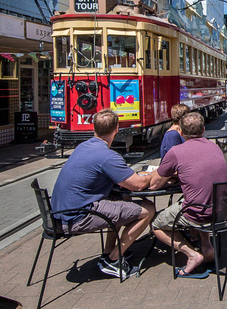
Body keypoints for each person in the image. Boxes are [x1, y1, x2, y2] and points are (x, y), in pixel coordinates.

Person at [50, 110, 155, 279]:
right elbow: (138, 184)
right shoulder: (108, 156)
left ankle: (108, 253)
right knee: (148, 209)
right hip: (78, 216)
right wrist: (153, 175)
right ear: (116, 129)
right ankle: (113, 260)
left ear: (94, 129)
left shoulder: (83, 146)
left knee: (121, 199)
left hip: (60, 214)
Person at [149, 112, 227, 278]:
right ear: (204, 130)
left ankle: (192, 254)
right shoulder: (214, 146)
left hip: (199, 212)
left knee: (156, 224)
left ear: (181, 132)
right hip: (222, 210)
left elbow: (154, 184)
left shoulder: (177, 151)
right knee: (198, 198)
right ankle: (207, 247)